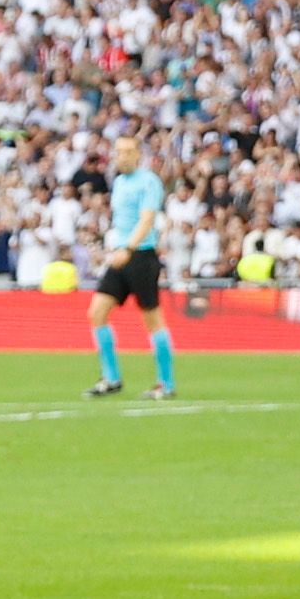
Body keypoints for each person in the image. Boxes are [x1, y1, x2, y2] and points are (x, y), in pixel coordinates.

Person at [84, 136, 177, 401]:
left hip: (141, 256)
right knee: (97, 312)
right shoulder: (120, 182)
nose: (121, 156)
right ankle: (111, 378)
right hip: (121, 256)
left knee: (152, 319)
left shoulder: (148, 181)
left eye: (127, 151)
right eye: (118, 151)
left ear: (138, 155)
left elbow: (147, 220)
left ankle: (166, 383)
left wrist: (128, 248)